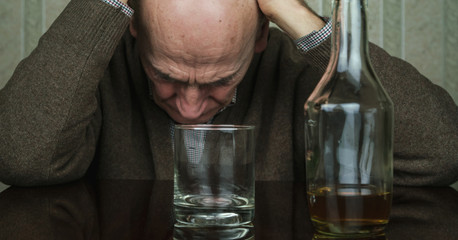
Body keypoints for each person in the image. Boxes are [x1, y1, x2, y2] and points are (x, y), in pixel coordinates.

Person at [0, 0, 457, 187]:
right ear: (133, 24)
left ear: (262, 35)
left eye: (221, 80)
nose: (191, 108)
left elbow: (442, 153)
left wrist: (305, 26)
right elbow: (17, 156)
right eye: (167, 76)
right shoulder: (97, 68)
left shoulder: (298, 67)